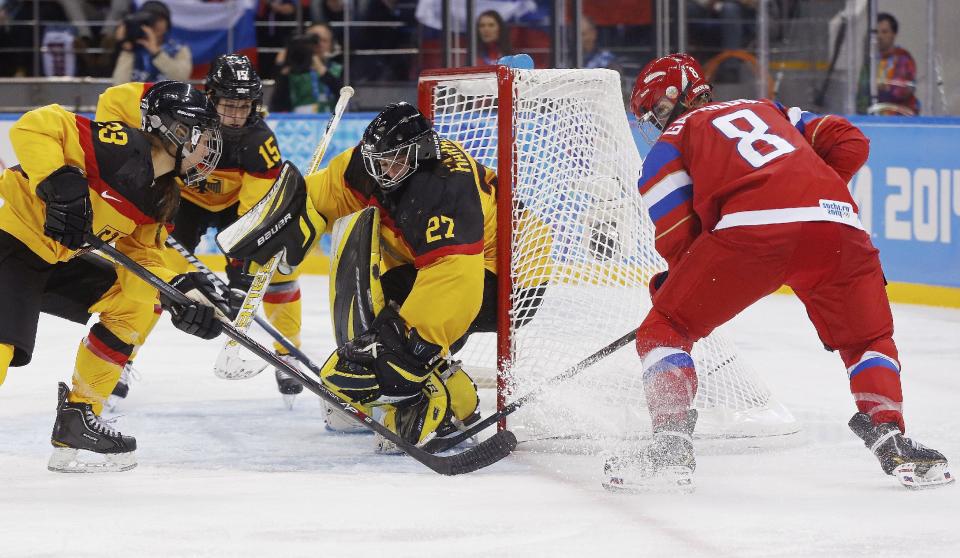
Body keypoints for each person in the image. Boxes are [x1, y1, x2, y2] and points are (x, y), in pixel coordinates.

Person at [603, 53, 952, 492]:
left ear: (667, 101)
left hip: (750, 238)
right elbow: (851, 142)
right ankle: (891, 436)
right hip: (838, 226)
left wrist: (673, 289)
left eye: (651, 112)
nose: (652, 124)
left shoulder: (671, 142)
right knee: (867, 340)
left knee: (665, 328)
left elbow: (680, 241)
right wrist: (809, 194)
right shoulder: (770, 110)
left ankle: (670, 446)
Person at [222, 102, 548, 451]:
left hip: (514, 277)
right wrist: (289, 222)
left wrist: (408, 353)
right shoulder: (375, 161)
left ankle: (450, 408)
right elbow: (326, 195)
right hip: (454, 263)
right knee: (382, 322)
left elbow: (456, 283)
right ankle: (418, 390)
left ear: (420, 153)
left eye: (393, 161)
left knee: (402, 342)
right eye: (378, 159)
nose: (382, 169)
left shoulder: (441, 190)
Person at [0, 81, 226, 472]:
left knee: (134, 304)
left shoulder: (159, 195)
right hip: (11, 233)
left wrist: (179, 291)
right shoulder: (122, 146)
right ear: (175, 130)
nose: (209, 149)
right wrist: (59, 181)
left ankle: (78, 417)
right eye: (203, 136)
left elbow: (144, 259)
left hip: (53, 255)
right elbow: (36, 124)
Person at [95, 54, 306, 408]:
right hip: (180, 199)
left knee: (280, 269)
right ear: (209, 96)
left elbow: (254, 215)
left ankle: (288, 354)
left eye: (245, 106)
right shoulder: (181, 109)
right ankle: (123, 358)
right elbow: (110, 102)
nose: (237, 115)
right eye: (229, 105)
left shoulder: (258, 143)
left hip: (235, 211)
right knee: (156, 280)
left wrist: (242, 277)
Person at [111, 0, 191, 84]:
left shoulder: (178, 48)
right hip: (139, 95)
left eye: (160, 20)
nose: (156, 25)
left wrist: (157, 53)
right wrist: (127, 49)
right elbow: (118, 84)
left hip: (168, 95)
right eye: (152, 21)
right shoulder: (134, 47)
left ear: (168, 23)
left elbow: (182, 78)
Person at [858, 13, 919, 116]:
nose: (880, 36)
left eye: (885, 32)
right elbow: (862, 92)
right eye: (876, 32)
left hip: (900, 117)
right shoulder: (871, 61)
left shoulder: (903, 58)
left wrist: (883, 88)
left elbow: (904, 90)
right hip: (872, 116)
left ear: (894, 34)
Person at [269, 30, 344, 114]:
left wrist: (323, 72)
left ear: (332, 44)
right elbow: (276, 106)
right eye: (314, 42)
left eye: (324, 41)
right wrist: (281, 67)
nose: (319, 46)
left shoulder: (337, 69)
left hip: (331, 120)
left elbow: (347, 98)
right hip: (297, 121)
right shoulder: (292, 70)